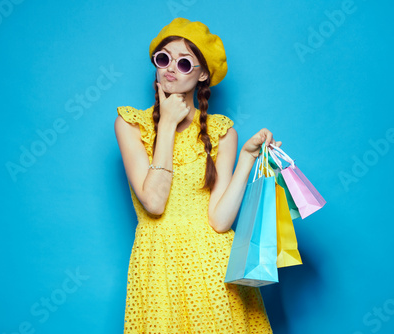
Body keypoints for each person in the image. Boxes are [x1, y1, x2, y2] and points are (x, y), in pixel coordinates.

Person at [114, 17, 280, 333]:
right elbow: (154, 202)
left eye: (185, 62)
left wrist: (245, 159)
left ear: (203, 74)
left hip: (213, 264)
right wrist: (165, 125)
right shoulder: (131, 125)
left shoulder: (222, 132)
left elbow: (219, 221)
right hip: (158, 264)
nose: (170, 68)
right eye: (163, 59)